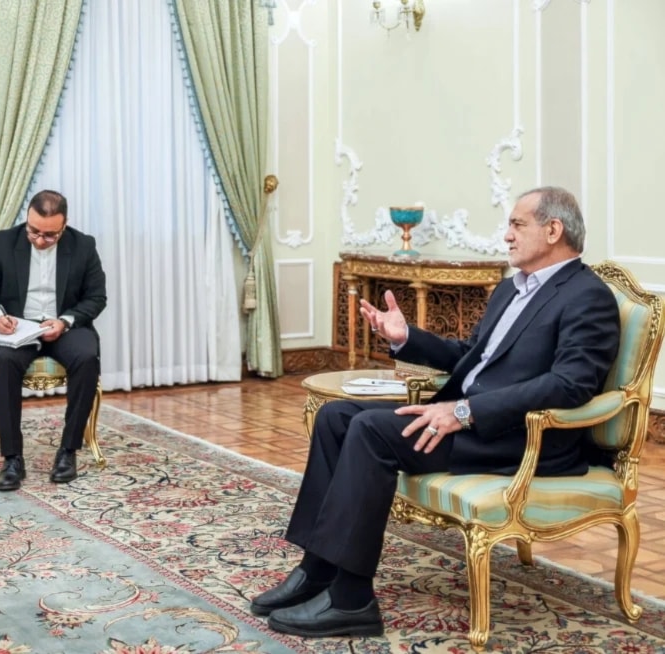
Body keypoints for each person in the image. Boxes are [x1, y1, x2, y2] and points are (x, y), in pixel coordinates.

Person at [250, 186, 620, 638]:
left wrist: (464, 411)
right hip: (470, 422)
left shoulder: (587, 295)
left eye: (516, 225)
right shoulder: (510, 290)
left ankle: (352, 601)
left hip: (521, 439)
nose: (506, 236)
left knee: (369, 430)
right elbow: (470, 356)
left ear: (553, 229)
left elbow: (570, 384)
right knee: (336, 416)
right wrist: (405, 336)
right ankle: (317, 570)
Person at [0, 189, 107, 491]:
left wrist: (65, 321)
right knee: (4, 362)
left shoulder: (83, 245)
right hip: (19, 326)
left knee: (87, 357)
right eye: (34, 231)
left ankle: (68, 452)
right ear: (27, 219)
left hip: (64, 326)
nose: (40, 240)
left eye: (50, 235)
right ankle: (12, 459)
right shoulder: (4, 242)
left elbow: (96, 298)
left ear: (64, 225)